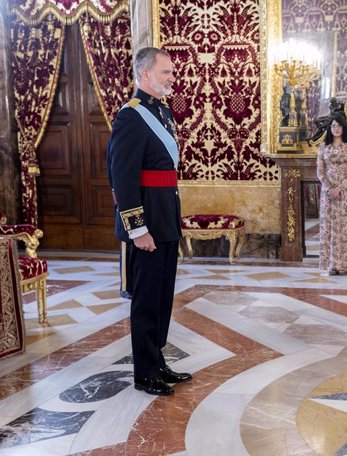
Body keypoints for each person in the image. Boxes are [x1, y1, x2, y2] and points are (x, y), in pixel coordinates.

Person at [107, 47, 192, 396]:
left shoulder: (162, 111)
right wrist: (137, 228)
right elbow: (122, 178)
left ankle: (158, 362)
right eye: (166, 72)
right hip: (147, 222)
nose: (173, 77)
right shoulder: (130, 116)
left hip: (165, 215)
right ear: (145, 75)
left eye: (172, 72)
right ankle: (144, 373)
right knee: (146, 299)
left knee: (163, 296)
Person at [317, 112, 347, 275]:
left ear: (344, 128)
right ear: (329, 128)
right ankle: (331, 265)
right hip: (327, 193)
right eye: (333, 126)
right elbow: (320, 171)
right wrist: (329, 188)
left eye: (339, 125)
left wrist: (339, 188)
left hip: (346, 192)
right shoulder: (323, 147)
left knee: (345, 228)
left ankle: (344, 265)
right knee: (329, 227)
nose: (336, 128)